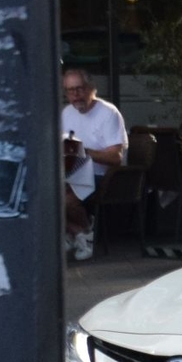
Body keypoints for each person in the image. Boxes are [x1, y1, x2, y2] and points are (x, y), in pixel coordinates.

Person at [60, 67, 127, 264]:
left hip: (104, 177)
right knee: (41, 195)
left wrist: (84, 152)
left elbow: (116, 157)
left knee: (66, 199)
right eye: (70, 91)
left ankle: (83, 235)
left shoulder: (108, 113)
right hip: (71, 172)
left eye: (79, 89)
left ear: (92, 88)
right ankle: (80, 231)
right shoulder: (66, 113)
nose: (75, 95)